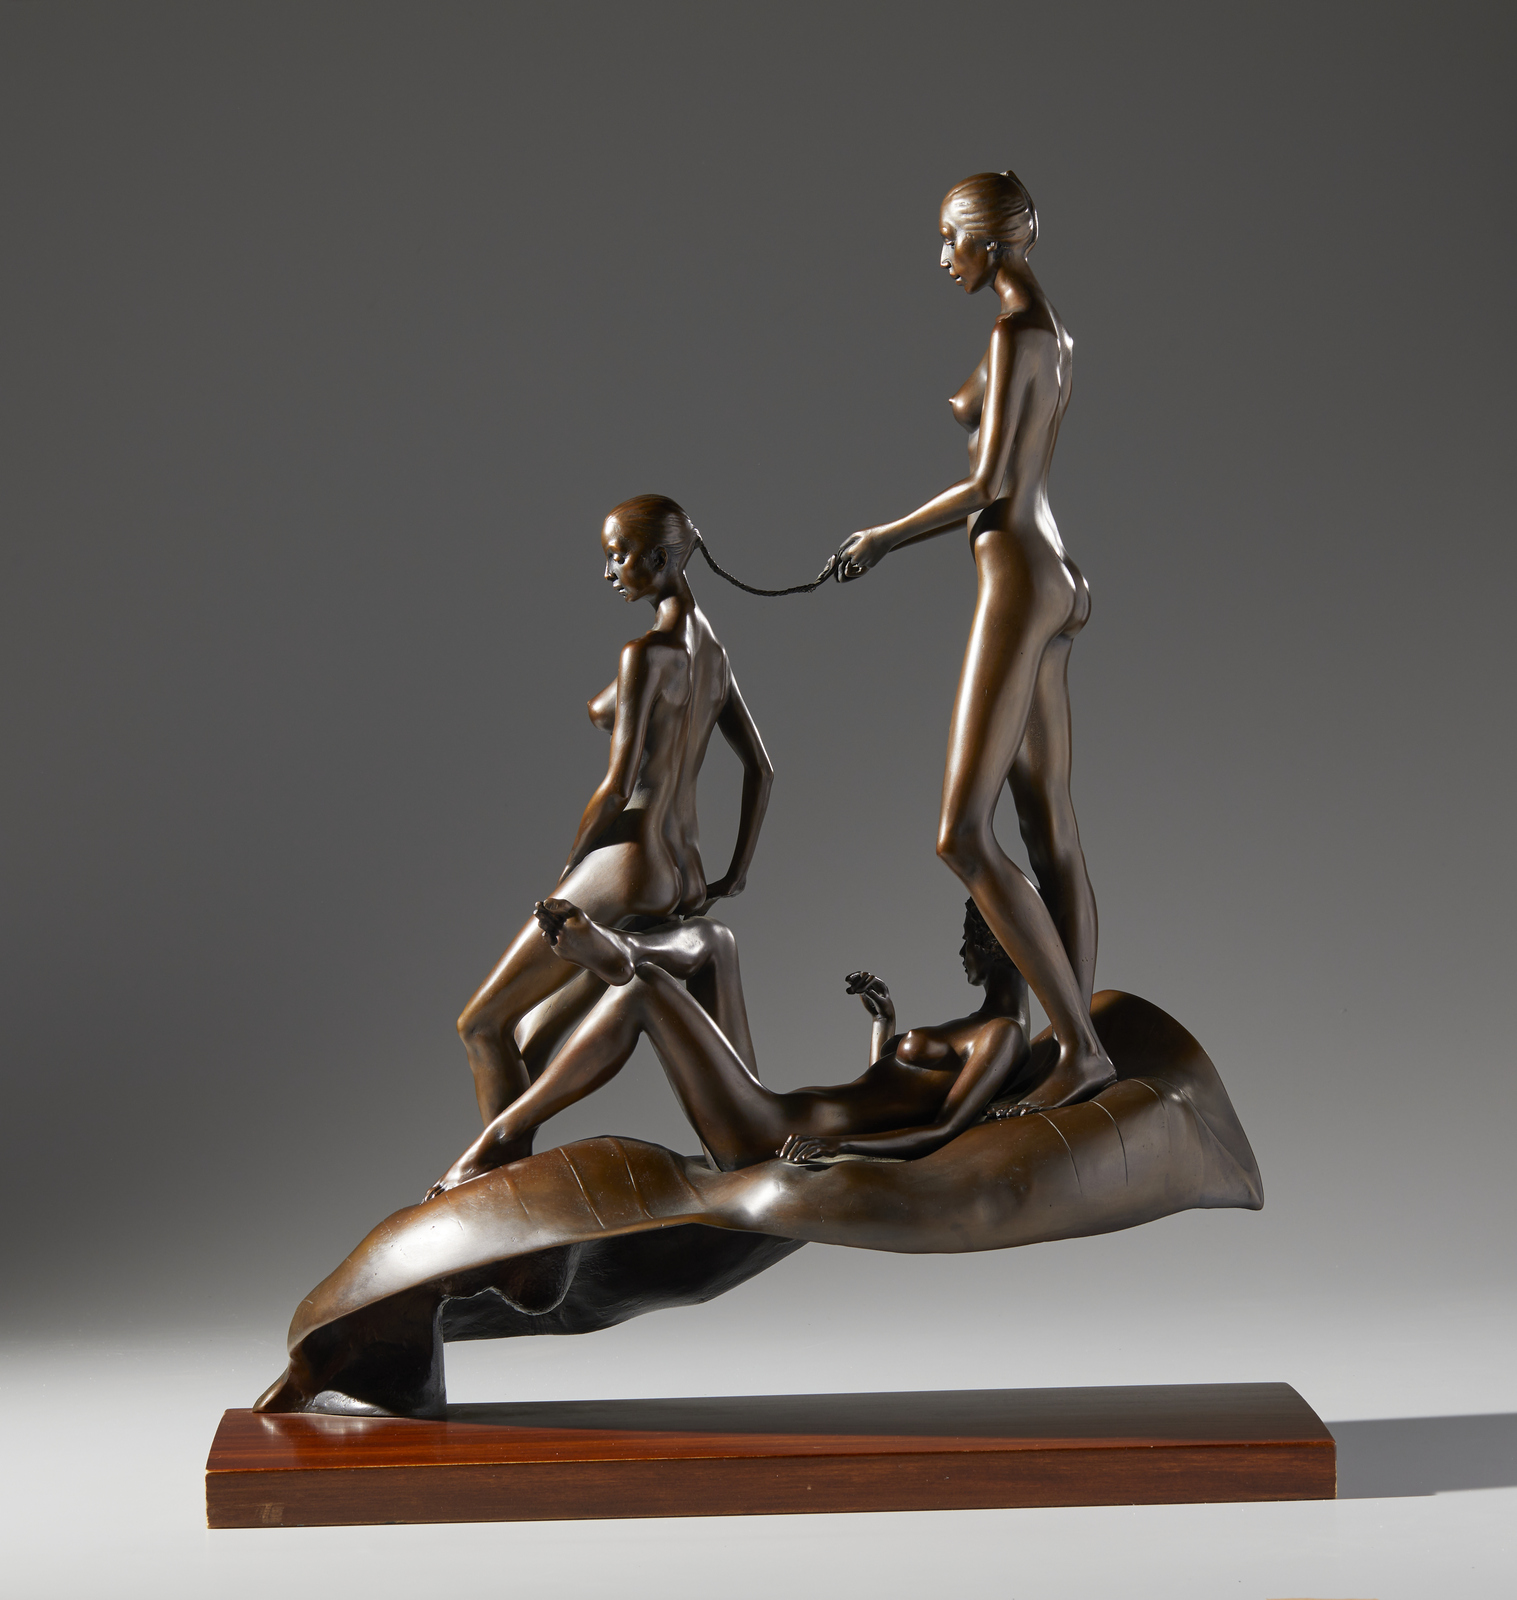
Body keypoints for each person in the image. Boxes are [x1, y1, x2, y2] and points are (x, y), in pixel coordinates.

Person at [832, 169, 1113, 1112]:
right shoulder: (1048, 329)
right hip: (1053, 573)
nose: (941, 255)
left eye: (949, 237)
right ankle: (1075, 1047)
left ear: (987, 241)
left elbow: (993, 484)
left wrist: (882, 537)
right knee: (1047, 825)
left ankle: (1079, 1048)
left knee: (961, 833)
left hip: (1017, 576)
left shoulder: (1013, 333)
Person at [455, 495, 773, 1151]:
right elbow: (762, 770)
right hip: (682, 871)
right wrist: (734, 873)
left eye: (617, 555)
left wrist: (570, 870)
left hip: (626, 863)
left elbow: (617, 788)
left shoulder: (645, 654)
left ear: (659, 558)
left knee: (481, 1026)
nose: (609, 572)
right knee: (529, 1039)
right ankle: (517, 1181)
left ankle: (492, 1182)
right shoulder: (713, 654)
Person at [427, 897, 1031, 1193]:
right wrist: (885, 1024)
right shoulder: (975, 1028)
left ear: (996, 945)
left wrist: (839, 1147)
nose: (962, 951)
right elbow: (880, 1094)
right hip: (775, 1109)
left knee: (645, 991)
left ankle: (499, 1138)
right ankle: (623, 949)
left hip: (768, 1136)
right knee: (718, 942)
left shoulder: (1000, 1035)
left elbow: (943, 1130)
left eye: (969, 939)